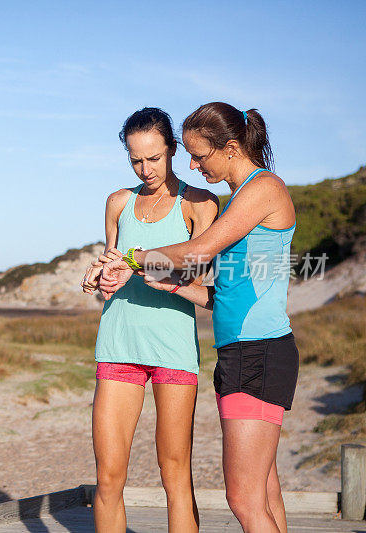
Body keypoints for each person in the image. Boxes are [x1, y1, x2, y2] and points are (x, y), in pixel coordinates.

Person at [91, 102, 298, 533]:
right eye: (136, 159)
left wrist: (132, 258)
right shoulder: (244, 194)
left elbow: (198, 254)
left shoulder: (260, 190)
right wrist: (167, 282)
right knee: (263, 493)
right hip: (238, 351)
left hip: (255, 351)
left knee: (243, 498)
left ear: (232, 148)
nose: (192, 163)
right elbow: (220, 292)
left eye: (198, 155)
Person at [80, 107, 218, 532]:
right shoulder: (117, 202)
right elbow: (115, 264)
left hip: (173, 351)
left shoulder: (199, 204)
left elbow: (195, 280)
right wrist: (102, 273)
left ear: (172, 150)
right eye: (135, 159)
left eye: (154, 158)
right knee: (108, 478)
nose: (145, 169)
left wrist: (143, 268)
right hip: (118, 344)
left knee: (175, 479)